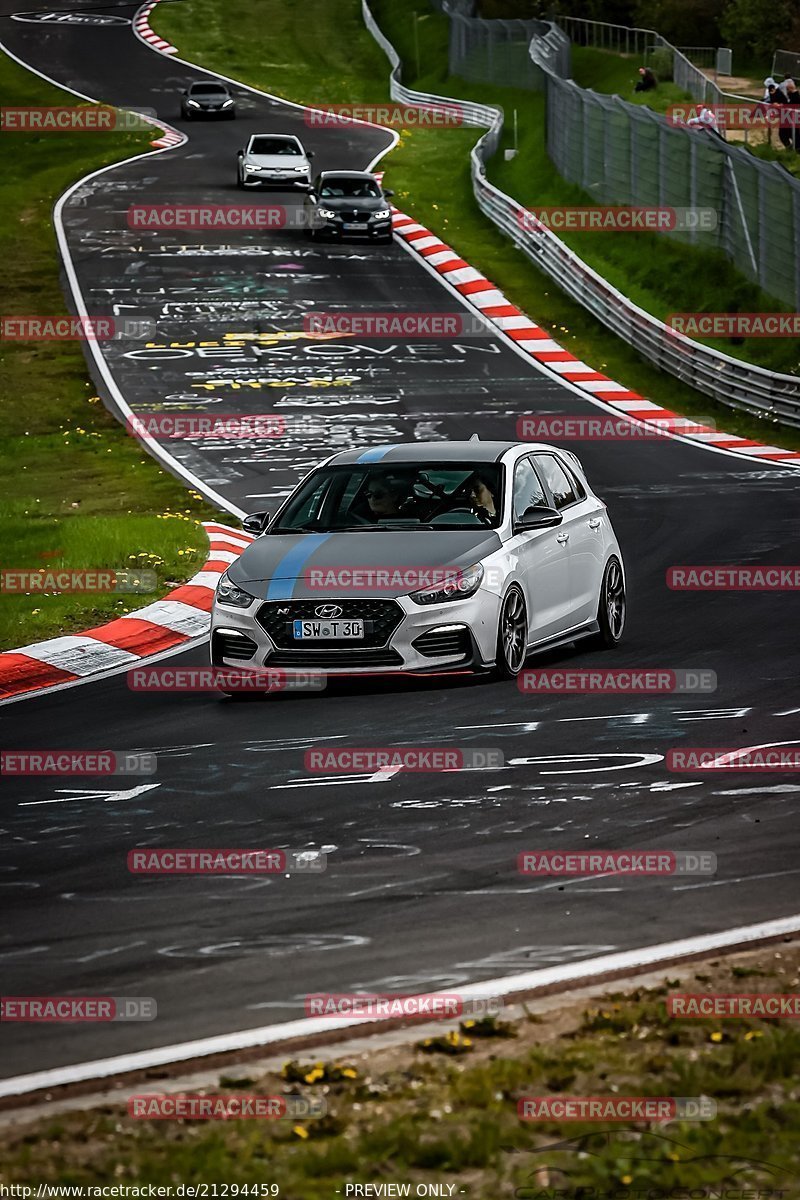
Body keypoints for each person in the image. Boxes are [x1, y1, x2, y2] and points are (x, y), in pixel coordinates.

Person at [783, 79, 800, 151]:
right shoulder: (793, 96)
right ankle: (792, 148)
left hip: (794, 121)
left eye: (787, 89)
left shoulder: (795, 97)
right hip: (791, 120)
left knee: (785, 133)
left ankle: (793, 149)